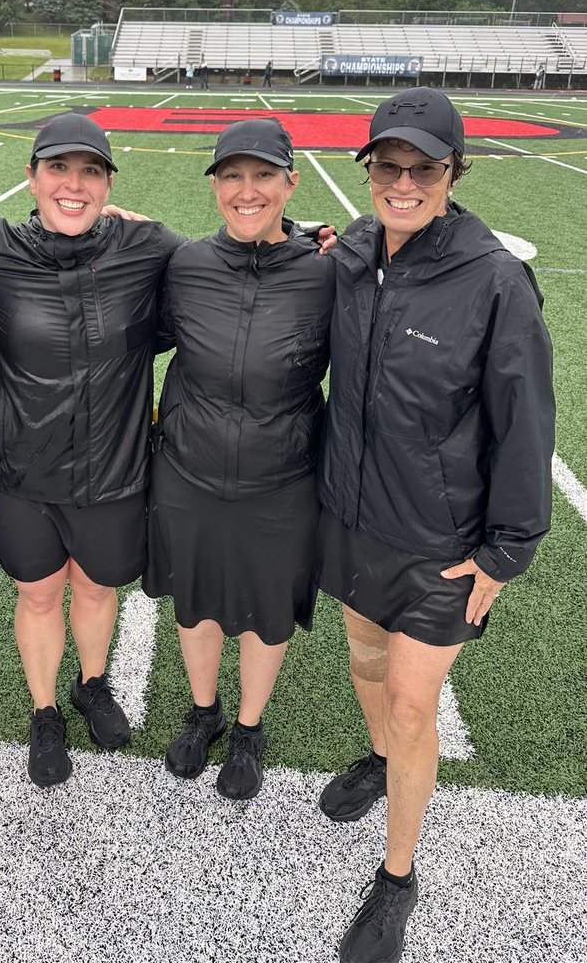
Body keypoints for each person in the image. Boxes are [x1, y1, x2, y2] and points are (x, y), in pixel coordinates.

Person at [316, 87, 554, 963]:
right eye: (389, 165)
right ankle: (378, 761)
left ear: (456, 173)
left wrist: (508, 548)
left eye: (426, 168)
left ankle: (396, 880)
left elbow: (525, 422)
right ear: (369, 169)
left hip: (441, 546)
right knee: (366, 665)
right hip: (353, 518)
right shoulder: (351, 252)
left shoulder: (495, 282)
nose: (405, 183)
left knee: (414, 706)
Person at [0, 113, 186, 787]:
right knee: (39, 595)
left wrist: (309, 238)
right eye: (58, 169)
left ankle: (91, 683)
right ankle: (45, 711)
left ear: (108, 184)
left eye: (90, 171)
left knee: (96, 587)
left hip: (113, 470)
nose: (74, 184)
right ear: (31, 177)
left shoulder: (145, 245)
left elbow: (227, 264)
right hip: (24, 471)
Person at [144, 119, 335, 800]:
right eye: (232, 176)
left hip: (282, 478)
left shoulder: (327, 270)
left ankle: (249, 727)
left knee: (266, 608)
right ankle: (205, 712)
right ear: (216, 186)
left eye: (263, 176)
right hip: (188, 468)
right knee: (194, 600)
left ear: (291, 183)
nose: (246, 191)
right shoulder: (186, 264)